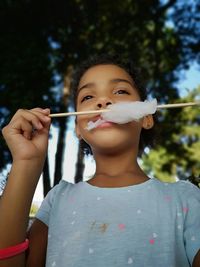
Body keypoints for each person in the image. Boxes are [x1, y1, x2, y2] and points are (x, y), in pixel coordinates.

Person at [0, 54, 200, 267]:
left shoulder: (185, 198)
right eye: (87, 97)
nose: (103, 101)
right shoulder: (57, 199)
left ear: (146, 116)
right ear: (77, 127)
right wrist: (26, 162)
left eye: (120, 91)